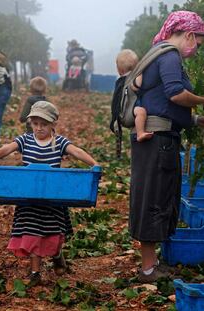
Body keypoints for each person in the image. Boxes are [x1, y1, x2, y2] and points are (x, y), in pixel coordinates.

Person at [0, 101, 98, 285]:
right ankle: (35, 273)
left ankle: (57, 255)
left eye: (44, 124)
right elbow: (6, 148)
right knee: (32, 234)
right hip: (29, 199)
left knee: (53, 233)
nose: (39, 128)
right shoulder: (25, 140)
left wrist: (94, 164)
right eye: (35, 124)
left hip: (52, 199)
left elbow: (76, 151)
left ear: (53, 124)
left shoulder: (59, 143)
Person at [129, 10, 204, 283]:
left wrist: (195, 119)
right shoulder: (169, 55)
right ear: (188, 34)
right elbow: (175, 93)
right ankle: (149, 270)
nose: (196, 50)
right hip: (157, 142)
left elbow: (162, 103)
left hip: (158, 138)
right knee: (154, 199)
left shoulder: (159, 54)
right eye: (198, 42)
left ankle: (152, 264)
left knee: (157, 197)